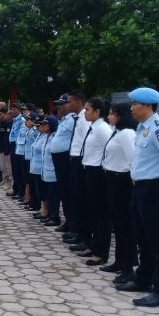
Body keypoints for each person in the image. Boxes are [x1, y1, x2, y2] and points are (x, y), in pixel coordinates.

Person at [116, 87, 159, 308]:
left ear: (148, 106)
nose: (131, 107)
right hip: (140, 188)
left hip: (154, 189)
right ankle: (144, 279)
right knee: (143, 238)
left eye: (135, 104)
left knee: (158, 240)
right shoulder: (142, 128)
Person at [101, 102, 138, 284]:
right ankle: (119, 261)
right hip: (112, 179)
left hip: (122, 181)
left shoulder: (127, 134)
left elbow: (132, 160)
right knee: (118, 223)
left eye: (112, 114)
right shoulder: (117, 131)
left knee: (125, 226)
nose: (109, 117)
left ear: (121, 116)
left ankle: (128, 267)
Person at [79, 98, 113, 265]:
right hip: (90, 170)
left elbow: (109, 150)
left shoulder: (103, 129)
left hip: (98, 172)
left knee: (101, 214)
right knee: (92, 212)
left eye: (87, 109)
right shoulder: (94, 127)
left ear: (98, 112)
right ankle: (94, 245)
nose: (85, 112)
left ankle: (102, 252)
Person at [68, 90, 92, 253]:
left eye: (70, 101)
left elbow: (86, 142)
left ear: (78, 102)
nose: (68, 104)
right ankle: (79, 233)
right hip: (76, 160)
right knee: (77, 199)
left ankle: (85, 237)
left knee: (83, 201)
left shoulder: (85, 118)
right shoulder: (79, 117)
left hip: (81, 161)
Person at [49, 94, 75, 234]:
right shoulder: (64, 120)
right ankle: (68, 221)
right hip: (59, 159)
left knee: (68, 192)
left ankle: (72, 224)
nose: (59, 107)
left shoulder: (72, 120)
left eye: (62, 104)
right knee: (63, 192)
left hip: (66, 159)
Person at [40, 116, 61, 226]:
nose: (42, 126)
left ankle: (55, 217)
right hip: (45, 171)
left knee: (54, 197)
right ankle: (49, 214)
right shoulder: (46, 137)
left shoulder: (54, 137)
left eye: (45, 124)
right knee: (48, 195)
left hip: (52, 172)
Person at [30, 119, 47, 219]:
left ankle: (45, 209)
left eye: (39, 126)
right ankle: (42, 208)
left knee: (42, 190)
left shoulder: (46, 136)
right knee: (38, 189)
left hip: (41, 166)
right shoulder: (40, 135)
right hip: (35, 166)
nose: (37, 128)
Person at [8, 103, 26, 198]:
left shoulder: (22, 120)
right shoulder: (14, 120)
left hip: (18, 145)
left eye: (14, 109)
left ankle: (20, 191)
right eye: (11, 109)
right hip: (13, 144)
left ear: (19, 110)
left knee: (18, 169)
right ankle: (16, 189)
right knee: (14, 169)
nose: (11, 111)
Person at [23, 113, 40, 211]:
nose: (26, 122)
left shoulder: (35, 131)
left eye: (28, 120)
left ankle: (34, 203)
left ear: (34, 121)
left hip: (32, 158)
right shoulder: (29, 130)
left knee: (33, 182)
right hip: (27, 156)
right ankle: (31, 200)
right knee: (29, 180)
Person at [15, 110, 30, 204]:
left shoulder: (34, 129)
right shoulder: (23, 124)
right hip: (21, 151)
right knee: (21, 174)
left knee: (27, 177)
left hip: (27, 154)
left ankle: (27, 195)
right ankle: (24, 193)